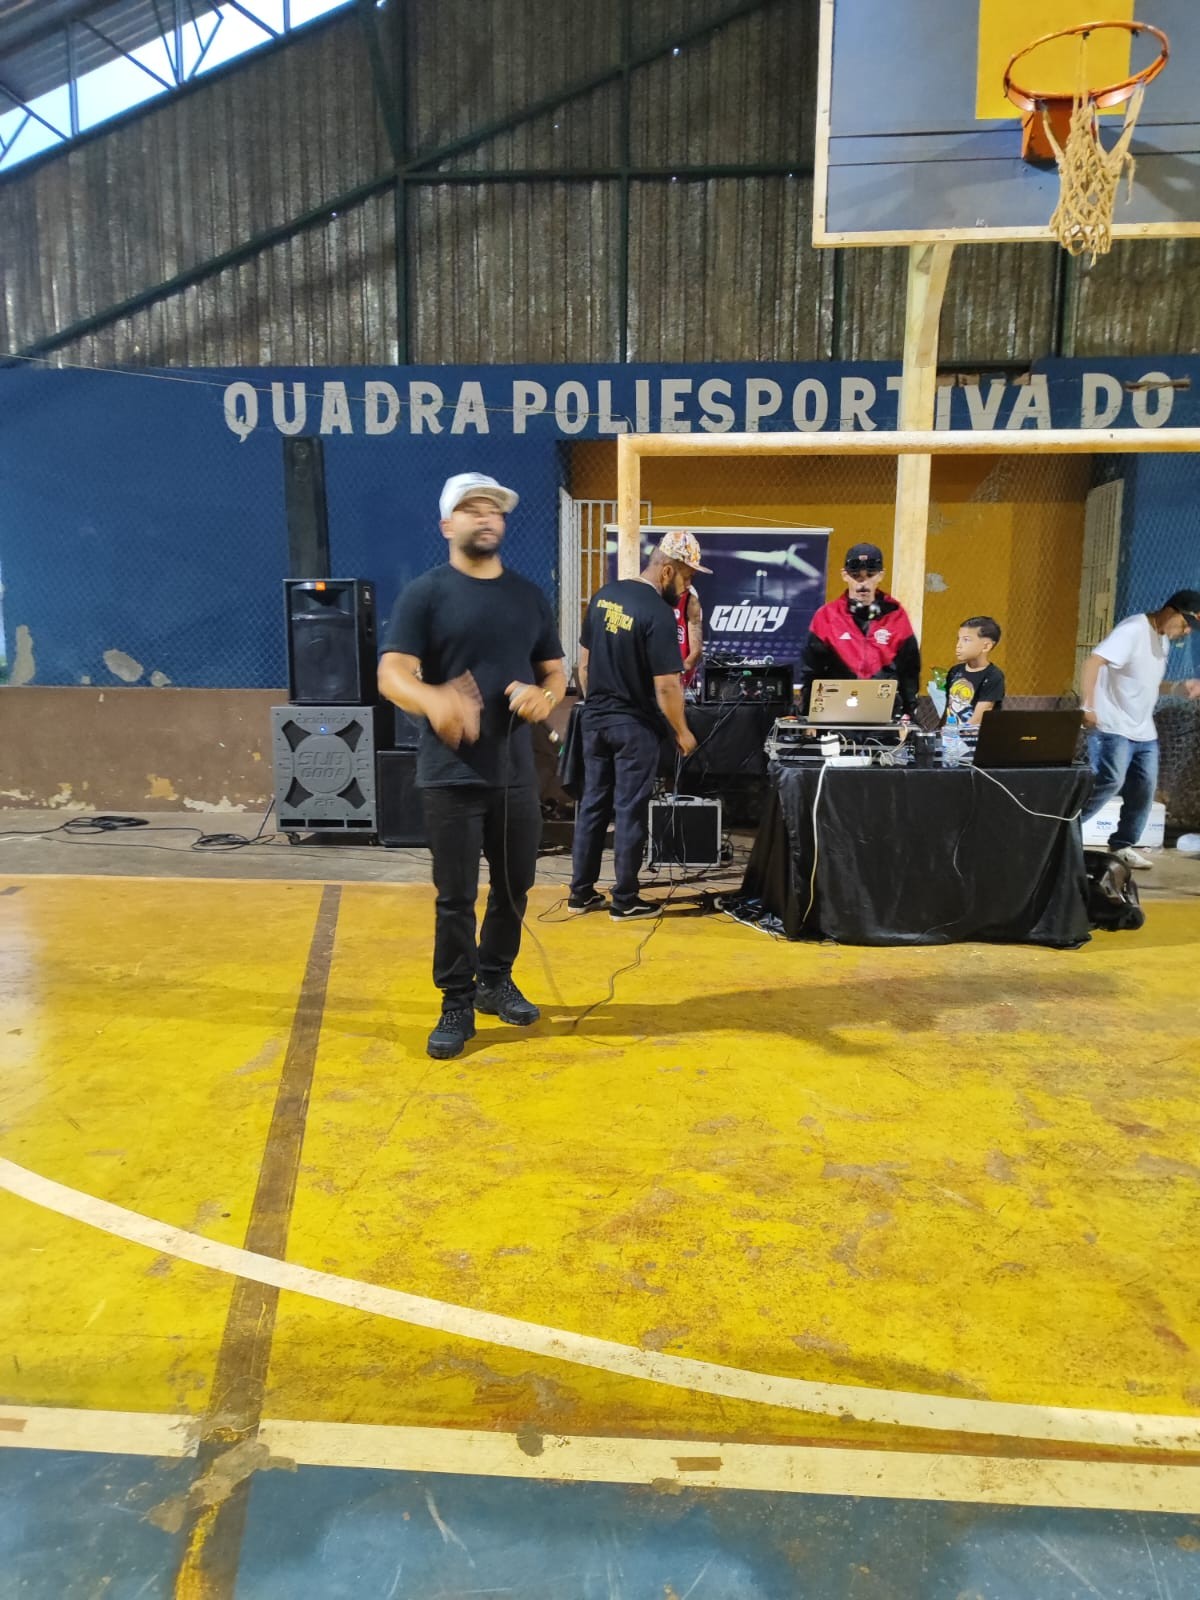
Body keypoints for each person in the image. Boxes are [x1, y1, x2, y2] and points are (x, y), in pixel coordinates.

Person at [378, 472, 567, 1060]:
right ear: (447, 525)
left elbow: (554, 671)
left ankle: (494, 979)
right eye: (471, 508)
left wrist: (546, 696)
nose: (485, 517)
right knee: (455, 897)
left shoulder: (528, 596)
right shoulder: (426, 594)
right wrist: (434, 699)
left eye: (494, 509)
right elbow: (391, 673)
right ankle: (455, 1001)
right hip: (451, 775)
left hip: (515, 772)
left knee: (514, 888)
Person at [568, 530, 702, 920]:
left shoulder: (604, 596)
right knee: (629, 810)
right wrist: (682, 732)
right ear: (667, 571)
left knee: (592, 806)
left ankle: (580, 893)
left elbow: (583, 665)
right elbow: (667, 686)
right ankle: (625, 900)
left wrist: (599, 704)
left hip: (594, 720)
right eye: (687, 577)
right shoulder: (657, 613)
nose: (687, 588)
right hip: (633, 728)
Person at [1079, 588, 1200, 871]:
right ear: (1170, 611)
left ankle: (1122, 845)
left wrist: (1180, 687)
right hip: (1113, 726)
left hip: (1144, 731)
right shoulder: (1133, 629)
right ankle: (1061, 831)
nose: (1185, 632)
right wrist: (1087, 706)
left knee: (1144, 789)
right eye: (1184, 624)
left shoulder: (1162, 641)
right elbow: (1093, 662)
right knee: (1110, 780)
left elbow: (1145, 683)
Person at [799, 542, 920, 717]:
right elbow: (811, 669)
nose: (863, 583)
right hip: (835, 712)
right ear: (844, 575)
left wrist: (909, 712)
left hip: (885, 712)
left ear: (881, 575)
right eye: (856, 576)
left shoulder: (896, 615)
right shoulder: (826, 617)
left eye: (870, 575)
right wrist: (808, 715)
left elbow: (909, 669)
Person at [943, 616, 1005, 726]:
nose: (958, 646)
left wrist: (960, 734)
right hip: (951, 734)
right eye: (958, 639)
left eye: (966, 640)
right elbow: (948, 709)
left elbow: (978, 719)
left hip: (976, 735)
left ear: (986, 647)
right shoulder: (955, 671)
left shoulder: (993, 676)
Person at [670, 552, 703, 691]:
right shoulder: (649, 595)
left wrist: (682, 669)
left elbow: (696, 651)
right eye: (685, 577)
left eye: (691, 577)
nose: (688, 583)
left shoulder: (691, 599)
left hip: (679, 683)